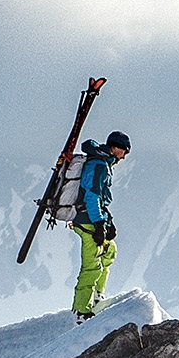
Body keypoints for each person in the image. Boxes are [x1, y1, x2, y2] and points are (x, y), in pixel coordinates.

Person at [71, 130, 130, 322]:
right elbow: (92, 196)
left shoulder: (103, 163)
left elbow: (101, 199)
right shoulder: (98, 165)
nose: (124, 155)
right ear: (115, 148)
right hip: (87, 220)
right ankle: (81, 311)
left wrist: (108, 222)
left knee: (109, 251)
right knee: (92, 266)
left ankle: (97, 296)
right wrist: (98, 225)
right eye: (124, 151)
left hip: (94, 218)